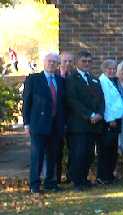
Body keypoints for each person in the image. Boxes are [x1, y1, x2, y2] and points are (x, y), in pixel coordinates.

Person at [23, 53, 64, 193]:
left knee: (53, 155)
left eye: (55, 62)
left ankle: (50, 182)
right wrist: (26, 124)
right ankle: (34, 185)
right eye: (49, 61)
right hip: (38, 123)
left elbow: (62, 104)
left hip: (56, 124)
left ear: (58, 64)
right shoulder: (33, 79)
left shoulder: (60, 80)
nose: (52, 64)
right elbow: (27, 102)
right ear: (44, 62)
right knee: (37, 155)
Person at [64, 51, 105, 191]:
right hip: (79, 124)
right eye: (84, 61)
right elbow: (72, 101)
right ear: (77, 63)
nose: (87, 64)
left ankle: (84, 179)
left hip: (94, 124)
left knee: (89, 154)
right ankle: (77, 181)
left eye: (89, 61)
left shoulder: (94, 79)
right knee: (78, 153)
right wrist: (89, 115)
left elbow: (101, 99)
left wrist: (99, 113)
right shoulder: (71, 79)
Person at [97, 59, 123, 185]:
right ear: (104, 69)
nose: (112, 71)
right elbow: (106, 102)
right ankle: (103, 176)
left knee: (113, 149)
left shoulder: (112, 81)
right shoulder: (102, 82)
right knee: (105, 149)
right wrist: (110, 119)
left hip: (116, 119)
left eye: (114, 69)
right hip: (109, 121)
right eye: (110, 68)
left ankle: (109, 175)